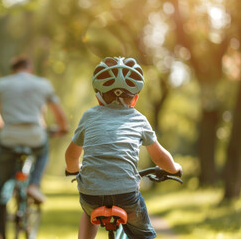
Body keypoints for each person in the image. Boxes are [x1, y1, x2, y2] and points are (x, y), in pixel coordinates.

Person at [65, 57, 182, 239]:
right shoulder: (139, 119)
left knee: (89, 211)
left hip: (91, 195)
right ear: (134, 99)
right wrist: (174, 168)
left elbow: (71, 155)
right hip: (126, 195)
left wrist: (73, 170)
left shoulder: (89, 117)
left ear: (98, 98)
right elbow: (159, 157)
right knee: (145, 235)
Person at [0, 56, 68, 239]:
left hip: (8, 138)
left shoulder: (2, 84)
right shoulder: (43, 84)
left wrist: (4, 129)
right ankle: (34, 184)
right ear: (30, 69)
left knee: (2, 185)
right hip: (34, 137)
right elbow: (59, 116)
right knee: (43, 150)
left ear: (13, 70)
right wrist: (62, 129)